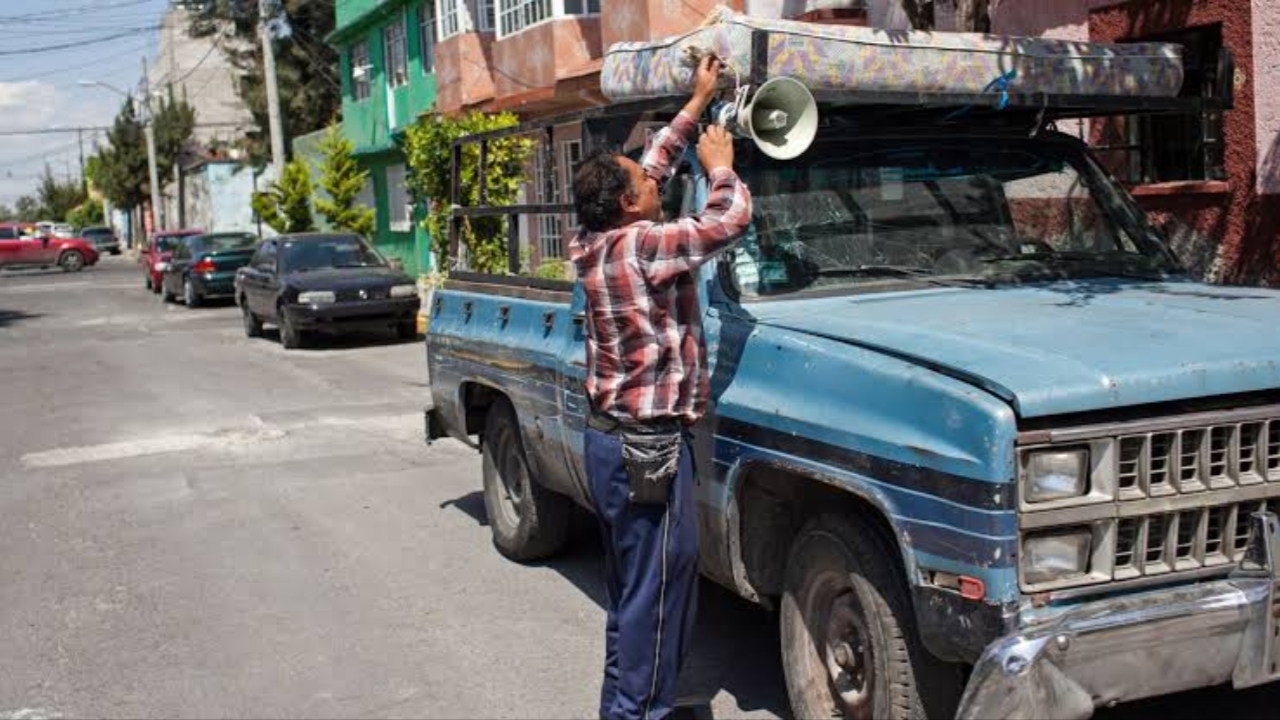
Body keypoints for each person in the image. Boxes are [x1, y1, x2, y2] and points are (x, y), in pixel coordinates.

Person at [568, 54, 753, 720]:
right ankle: (640, 714)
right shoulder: (646, 245)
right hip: (649, 449)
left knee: (633, 592)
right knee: (663, 594)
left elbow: (652, 162)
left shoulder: (590, 240)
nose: (652, 179)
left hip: (609, 443)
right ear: (628, 206)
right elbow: (728, 221)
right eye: (640, 183)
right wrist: (720, 165)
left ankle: (621, 708)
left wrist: (699, 99)